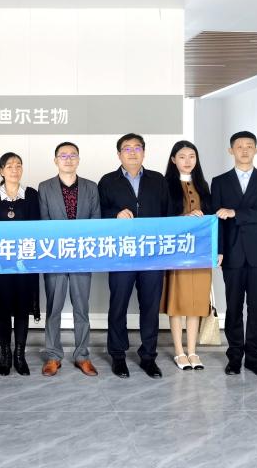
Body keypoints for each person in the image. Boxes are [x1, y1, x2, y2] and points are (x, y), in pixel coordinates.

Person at [98, 133, 171, 379]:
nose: (132, 152)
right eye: (126, 148)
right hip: (121, 253)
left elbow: (168, 215)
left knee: (150, 306)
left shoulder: (158, 180)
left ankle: (148, 356)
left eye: (137, 147)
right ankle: (118, 356)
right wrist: (115, 214)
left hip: (152, 254)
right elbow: (98, 213)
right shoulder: (107, 181)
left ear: (144, 152)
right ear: (119, 154)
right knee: (118, 305)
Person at [212, 131, 257, 378]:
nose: (244, 150)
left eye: (249, 146)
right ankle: (234, 357)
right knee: (233, 306)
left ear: (256, 150)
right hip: (231, 252)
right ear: (231, 150)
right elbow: (216, 220)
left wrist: (235, 213)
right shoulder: (219, 181)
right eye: (239, 146)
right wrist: (218, 249)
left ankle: (254, 358)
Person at [38, 141, 101, 377]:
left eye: (73, 155)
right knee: (53, 308)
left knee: (81, 308)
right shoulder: (44, 187)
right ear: (55, 160)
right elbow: (43, 222)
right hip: (54, 256)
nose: (68, 159)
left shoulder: (91, 187)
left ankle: (82, 355)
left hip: (82, 255)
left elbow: (96, 220)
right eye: (63, 155)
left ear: (78, 159)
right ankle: (53, 356)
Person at [160, 141, 214, 371]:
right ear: (173, 160)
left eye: (192, 156)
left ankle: (192, 351)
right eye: (182, 156)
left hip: (200, 252)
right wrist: (183, 218)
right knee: (178, 302)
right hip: (176, 251)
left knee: (196, 302)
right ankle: (179, 352)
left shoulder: (203, 185)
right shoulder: (164, 185)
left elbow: (212, 221)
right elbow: (160, 219)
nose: (188, 161)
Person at [0, 152, 41, 376]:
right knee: (3, 309)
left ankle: (20, 355)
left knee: (21, 309)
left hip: (24, 263)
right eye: (9, 166)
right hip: (0, 263)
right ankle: (6, 355)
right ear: (1, 171)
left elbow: (37, 227)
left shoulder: (31, 194)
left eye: (18, 165)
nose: (14, 169)